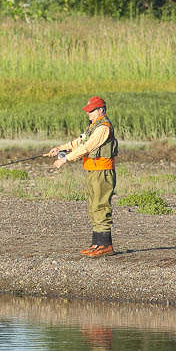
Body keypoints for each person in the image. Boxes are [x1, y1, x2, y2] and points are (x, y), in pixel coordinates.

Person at [47, 96, 118, 257]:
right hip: (93, 170)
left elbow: (86, 147)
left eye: (91, 111)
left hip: (103, 171)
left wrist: (65, 159)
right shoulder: (93, 126)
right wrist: (60, 148)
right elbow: (79, 142)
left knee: (101, 206)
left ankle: (106, 246)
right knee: (93, 206)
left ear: (100, 110)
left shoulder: (103, 128)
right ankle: (97, 243)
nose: (88, 114)